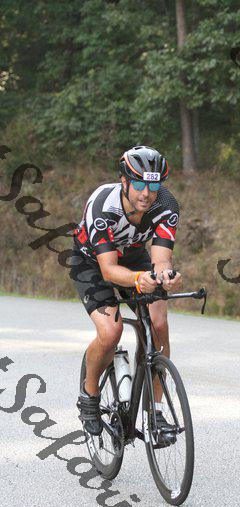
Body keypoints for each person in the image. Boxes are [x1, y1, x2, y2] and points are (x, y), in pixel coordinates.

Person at [70, 145, 181, 435]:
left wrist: (165, 276)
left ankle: (155, 413)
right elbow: (108, 270)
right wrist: (139, 279)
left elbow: (161, 258)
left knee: (158, 325)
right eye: (139, 185)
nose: (146, 193)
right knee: (111, 332)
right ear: (124, 181)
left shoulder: (167, 204)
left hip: (133, 256)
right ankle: (89, 395)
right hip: (92, 261)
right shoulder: (103, 205)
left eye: (153, 186)